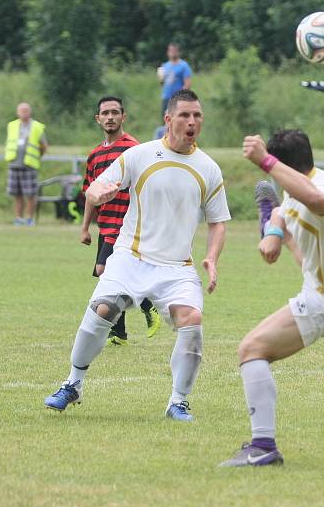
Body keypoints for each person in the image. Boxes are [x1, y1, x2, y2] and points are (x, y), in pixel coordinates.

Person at [43, 90, 231, 423]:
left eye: (197, 116)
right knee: (104, 308)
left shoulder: (209, 169)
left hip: (177, 266)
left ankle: (178, 402)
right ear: (168, 119)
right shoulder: (140, 155)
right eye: (185, 115)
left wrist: (212, 258)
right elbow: (96, 188)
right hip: (131, 256)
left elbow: (217, 223)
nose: (192, 122)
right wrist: (100, 192)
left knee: (192, 321)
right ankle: (73, 383)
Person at [220, 129, 324, 467]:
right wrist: (276, 229)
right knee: (256, 349)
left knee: (251, 349)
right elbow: (297, 217)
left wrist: (265, 161)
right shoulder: (309, 183)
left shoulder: (319, 190)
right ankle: (262, 446)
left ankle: (263, 447)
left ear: (280, 166)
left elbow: (317, 202)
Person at [80, 96, 162, 345]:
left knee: (105, 270)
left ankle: (149, 303)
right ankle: (119, 332)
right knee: (109, 276)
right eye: (105, 113)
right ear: (98, 118)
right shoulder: (94, 155)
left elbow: (148, 185)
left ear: (123, 117)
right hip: (106, 223)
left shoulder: (133, 149)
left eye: (115, 112)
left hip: (126, 224)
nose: (110, 117)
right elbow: (90, 192)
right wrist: (85, 227)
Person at [5, 102, 48, 226]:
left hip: (30, 165)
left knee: (30, 194)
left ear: (30, 112)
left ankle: (29, 219)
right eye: (21, 110)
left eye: (26, 110)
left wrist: (37, 156)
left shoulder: (36, 127)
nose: (23, 113)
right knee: (17, 194)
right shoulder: (12, 126)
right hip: (14, 164)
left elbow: (44, 146)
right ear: (17, 112)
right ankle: (18, 218)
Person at [158, 42, 193, 118]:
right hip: (166, 98)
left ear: (179, 52)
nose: (173, 53)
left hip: (178, 99)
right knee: (166, 121)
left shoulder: (184, 66)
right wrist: (160, 79)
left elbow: (188, 84)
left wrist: (181, 97)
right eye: (171, 51)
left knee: (177, 120)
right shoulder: (165, 66)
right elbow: (162, 84)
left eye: (175, 51)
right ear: (168, 52)